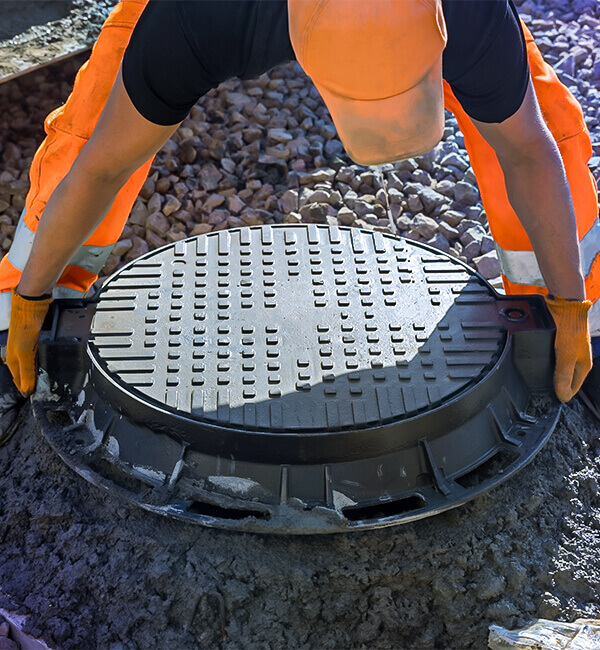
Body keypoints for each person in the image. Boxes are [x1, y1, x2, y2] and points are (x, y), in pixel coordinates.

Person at [0, 0, 598, 426]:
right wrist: (32, 297)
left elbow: (529, 150)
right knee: (94, 130)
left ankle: (575, 319)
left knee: (543, 125)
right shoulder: (203, 16)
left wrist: (568, 305)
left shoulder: (468, 14)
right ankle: (23, 308)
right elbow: (101, 165)